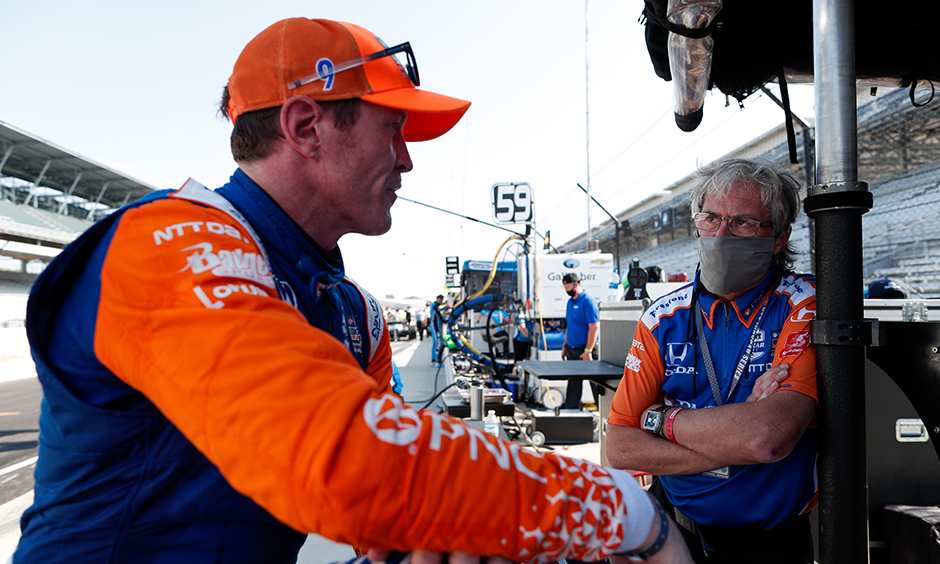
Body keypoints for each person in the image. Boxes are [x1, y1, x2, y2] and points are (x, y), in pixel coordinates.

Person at [15, 17, 691, 564]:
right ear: (306, 127)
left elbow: (392, 496)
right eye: (391, 131)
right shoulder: (168, 244)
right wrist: (623, 511)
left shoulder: (354, 312)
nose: (406, 159)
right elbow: (351, 466)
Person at [605, 159, 818, 564]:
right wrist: (737, 435)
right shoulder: (662, 318)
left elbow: (766, 438)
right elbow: (620, 448)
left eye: (742, 222)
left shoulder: (803, 303)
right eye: (711, 218)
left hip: (769, 544)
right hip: (673, 528)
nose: (721, 234)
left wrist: (660, 421)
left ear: (778, 238)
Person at [561, 272, 600, 409]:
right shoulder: (570, 303)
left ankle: (605, 412)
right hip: (572, 348)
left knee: (596, 384)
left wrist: (588, 351)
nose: (566, 290)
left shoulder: (587, 301)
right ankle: (570, 411)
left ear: (576, 284)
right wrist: (565, 346)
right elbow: (569, 325)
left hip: (586, 349)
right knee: (573, 382)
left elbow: (594, 327)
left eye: (568, 286)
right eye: (564, 287)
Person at [429, 294, 445, 365]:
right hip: (435, 326)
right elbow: (439, 315)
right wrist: (445, 321)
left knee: (437, 342)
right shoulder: (435, 306)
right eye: (440, 299)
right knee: (437, 342)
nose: (441, 301)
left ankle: (435, 359)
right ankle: (436, 360)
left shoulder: (435, 306)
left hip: (436, 325)